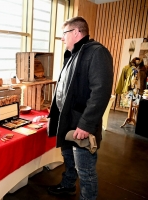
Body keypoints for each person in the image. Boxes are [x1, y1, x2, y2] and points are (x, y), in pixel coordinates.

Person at [46, 16, 113, 200]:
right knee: (68, 159)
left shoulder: (96, 52)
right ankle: (68, 186)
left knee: (86, 171)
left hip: (81, 124)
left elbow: (101, 92)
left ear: (76, 32)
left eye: (64, 33)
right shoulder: (74, 53)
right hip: (67, 120)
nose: (61, 38)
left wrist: (86, 124)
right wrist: (53, 114)